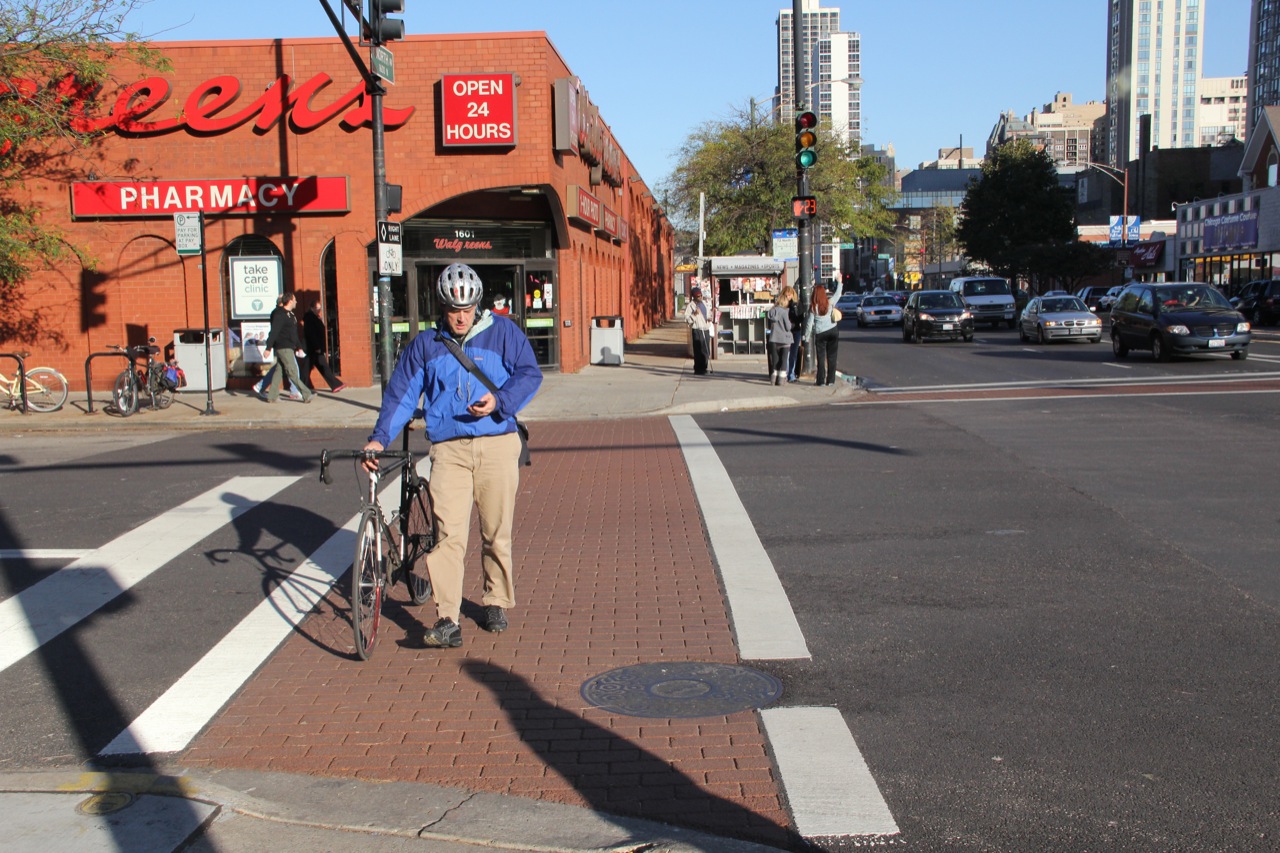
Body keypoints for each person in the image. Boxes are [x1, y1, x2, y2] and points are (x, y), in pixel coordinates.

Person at [363, 263, 541, 649]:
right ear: (441, 307)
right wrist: (379, 439)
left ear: (477, 305)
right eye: (452, 310)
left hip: (497, 443)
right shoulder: (426, 345)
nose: (460, 317)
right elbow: (401, 395)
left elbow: (529, 373)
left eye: (467, 309)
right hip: (448, 450)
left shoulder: (503, 333)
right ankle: (447, 617)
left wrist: (500, 400)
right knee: (448, 536)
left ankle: (495, 600)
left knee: (496, 532)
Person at [261, 292, 313, 403]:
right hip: (283, 347)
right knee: (292, 371)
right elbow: (274, 332)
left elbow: (293, 334)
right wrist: (268, 348)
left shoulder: (291, 315)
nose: (296, 302)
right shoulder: (280, 314)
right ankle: (306, 393)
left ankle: (272, 396)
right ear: (289, 301)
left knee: (279, 371)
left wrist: (299, 347)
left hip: (288, 347)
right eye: (295, 300)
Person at [301, 299, 347, 392]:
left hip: (315, 348)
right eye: (317, 308)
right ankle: (301, 386)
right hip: (313, 348)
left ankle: (335, 384)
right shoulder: (310, 318)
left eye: (320, 308)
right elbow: (311, 334)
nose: (319, 310)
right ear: (312, 308)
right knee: (311, 368)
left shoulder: (314, 317)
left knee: (320, 367)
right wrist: (317, 346)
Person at [804, 280, 843, 386]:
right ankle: (831, 381)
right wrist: (840, 282)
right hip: (833, 330)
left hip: (820, 333)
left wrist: (806, 337)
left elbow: (809, 324)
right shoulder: (829, 303)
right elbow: (838, 294)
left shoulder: (813, 308)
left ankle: (820, 380)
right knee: (832, 357)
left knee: (821, 358)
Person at [766, 287, 794, 386]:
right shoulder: (784, 312)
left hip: (773, 339)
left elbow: (769, 325)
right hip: (784, 340)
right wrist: (791, 324)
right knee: (783, 360)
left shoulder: (771, 312)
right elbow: (788, 327)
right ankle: (781, 380)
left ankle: (773, 379)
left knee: (775, 360)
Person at [684, 286, 711, 375]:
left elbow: (708, 313)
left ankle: (704, 367)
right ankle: (698, 369)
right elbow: (687, 320)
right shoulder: (691, 306)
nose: (700, 297)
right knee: (699, 350)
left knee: (706, 350)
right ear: (694, 297)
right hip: (697, 329)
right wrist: (694, 314)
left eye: (701, 295)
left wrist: (709, 318)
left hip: (705, 328)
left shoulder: (704, 304)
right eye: (698, 296)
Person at [785, 286, 803, 382]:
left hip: (795, 330)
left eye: (790, 294)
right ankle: (788, 373)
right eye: (787, 295)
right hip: (787, 331)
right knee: (787, 353)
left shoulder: (797, 304)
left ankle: (791, 373)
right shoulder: (783, 305)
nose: (789, 296)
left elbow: (801, 317)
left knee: (793, 353)